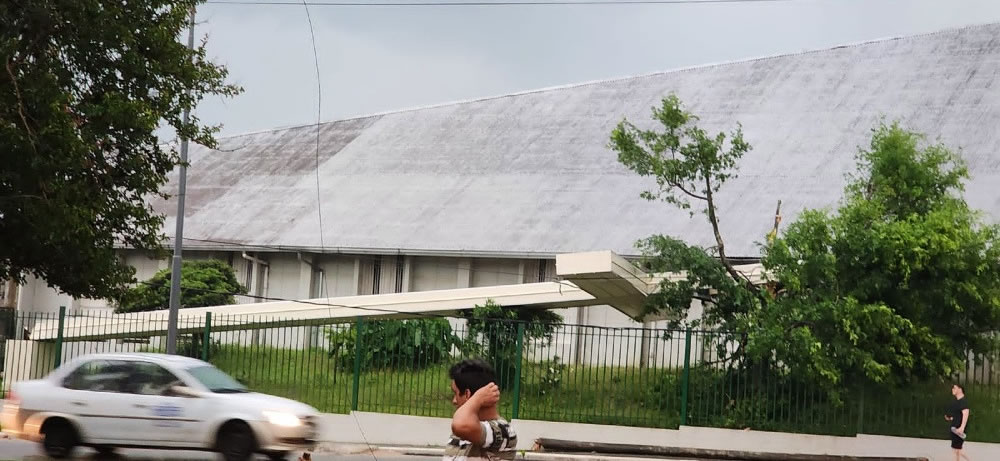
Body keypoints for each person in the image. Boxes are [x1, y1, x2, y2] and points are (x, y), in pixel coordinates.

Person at [443, 359, 518, 461]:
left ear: (467, 394)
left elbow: (460, 425)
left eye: (455, 393)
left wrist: (478, 398)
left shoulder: (504, 432)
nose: (454, 401)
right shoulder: (461, 431)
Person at [945, 383, 971, 461]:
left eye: (954, 388)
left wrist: (962, 427)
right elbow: (958, 415)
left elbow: (965, 414)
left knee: (957, 449)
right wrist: (951, 418)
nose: (953, 389)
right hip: (954, 428)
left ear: (960, 389)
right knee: (956, 449)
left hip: (959, 429)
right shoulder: (956, 402)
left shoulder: (963, 402)